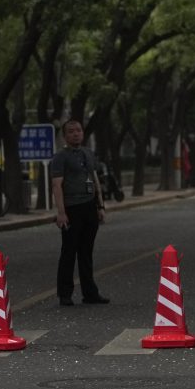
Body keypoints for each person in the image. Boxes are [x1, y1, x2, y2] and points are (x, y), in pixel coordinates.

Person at [50, 119, 108, 307]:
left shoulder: (88, 153)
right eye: (71, 131)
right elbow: (57, 186)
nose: (76, 134)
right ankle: (64, 294)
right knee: (69, 252)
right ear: (65, 136)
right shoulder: (60, 157)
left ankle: (90, 293)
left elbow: (94, 179)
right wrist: (61, 212)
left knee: (86, 252)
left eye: (78, 130)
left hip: (89, 206)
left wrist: (100, 206)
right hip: (71, 208)